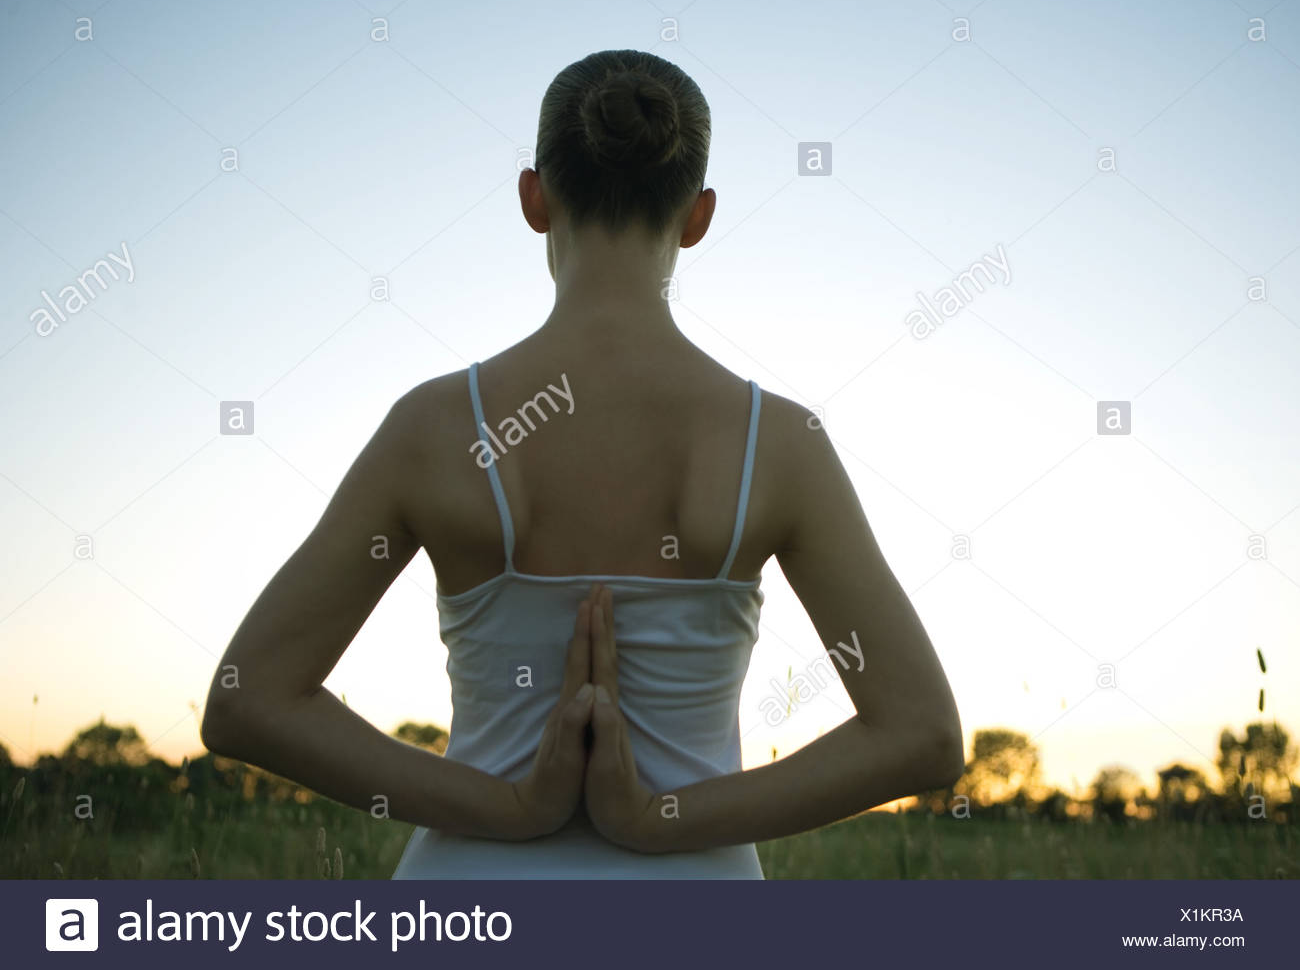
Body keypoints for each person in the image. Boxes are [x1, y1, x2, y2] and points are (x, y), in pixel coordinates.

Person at [200, 48, 964, 878]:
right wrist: (657, 819)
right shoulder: (778, 443)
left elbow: (249, 700)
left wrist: (512, 805)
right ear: (698, 215)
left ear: (534, 197)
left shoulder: (434, 426)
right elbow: (921, 735)